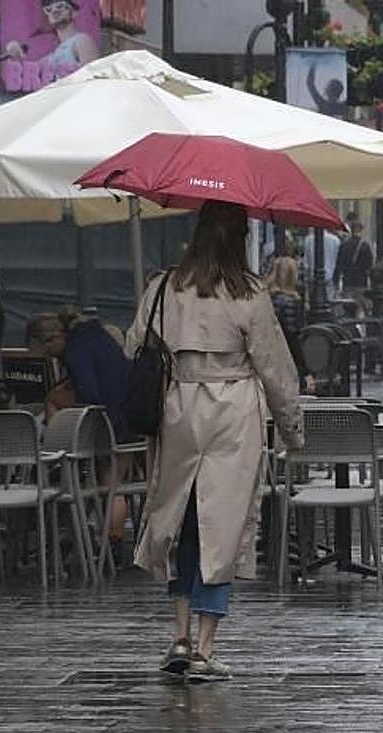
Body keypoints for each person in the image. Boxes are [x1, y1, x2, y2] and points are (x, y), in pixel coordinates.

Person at [126, 201, 303, 683]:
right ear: (241, 238)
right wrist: (292, 430)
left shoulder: (163, 286)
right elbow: (274, 367)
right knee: (221, 525)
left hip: (177, 407)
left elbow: (134, 345)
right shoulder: (250, 293)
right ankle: (206, 646)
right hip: (233, 411)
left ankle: (179, 635)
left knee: (179, 518)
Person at [26, 305, 133, 552]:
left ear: (55, 338)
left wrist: (63, 402)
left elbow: (90, 393)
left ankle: (55, 448)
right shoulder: (98, 336)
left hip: (108, 422)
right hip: (129, 416)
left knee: (53, 398)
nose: (50, 357)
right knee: (115, 484)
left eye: (48, 350)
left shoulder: (76, 352)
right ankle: (114, 543)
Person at [4, 1, 99, 80]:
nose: (55, 11)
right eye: (49, 9)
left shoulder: (81, 40)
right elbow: (29, 76)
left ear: (74, 13)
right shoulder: (51, 56)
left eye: (61, 6)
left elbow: (92, 79)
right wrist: (16, 57)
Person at [265, 255, 315, 393]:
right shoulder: (292, 302)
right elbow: (294, 340)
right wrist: (305, 373)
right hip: (285, 362)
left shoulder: (264, 298)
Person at [334, 219, 375, 303]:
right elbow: (369, 265)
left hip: (347, 281)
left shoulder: (344, 245)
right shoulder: (365, 246)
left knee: (347, 305)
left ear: (351, 231)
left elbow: (339, 264)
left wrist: (336, 282)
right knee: (360, 305)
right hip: (361, 281)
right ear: (361, 230)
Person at [300, 227, 342, 303]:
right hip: (331, 277)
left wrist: (306, 278)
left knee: (314, 302)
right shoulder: (335, 240)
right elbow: (338, 261)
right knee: (329, 302)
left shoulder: (308, 240)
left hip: (313, 277)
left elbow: (306, 262)